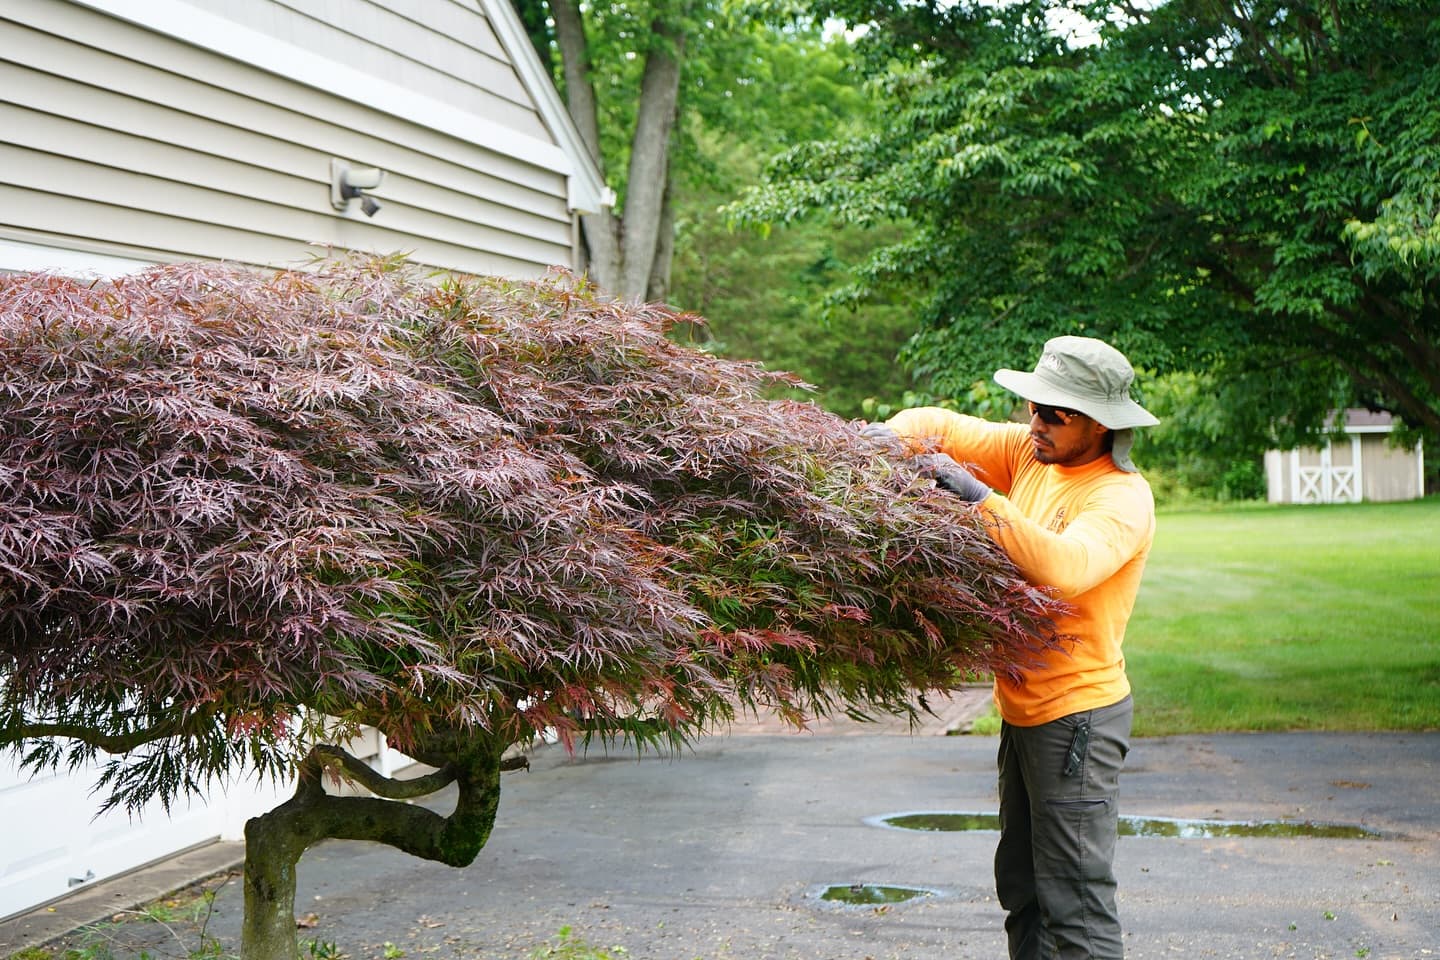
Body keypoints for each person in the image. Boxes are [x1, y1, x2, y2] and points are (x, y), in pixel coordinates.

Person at [863, 335, 1158, 960]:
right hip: (1024, 714)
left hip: (1077, 719)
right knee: (1023, 890)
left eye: (1056, 412)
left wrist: (976, 497)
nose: (1037, 422)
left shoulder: (1120, 497)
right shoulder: (1032, 453)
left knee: (1074, 904)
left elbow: (1066, 566)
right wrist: (889, 440)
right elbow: (934, 425)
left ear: (1101, 423)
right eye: (1033, 406)